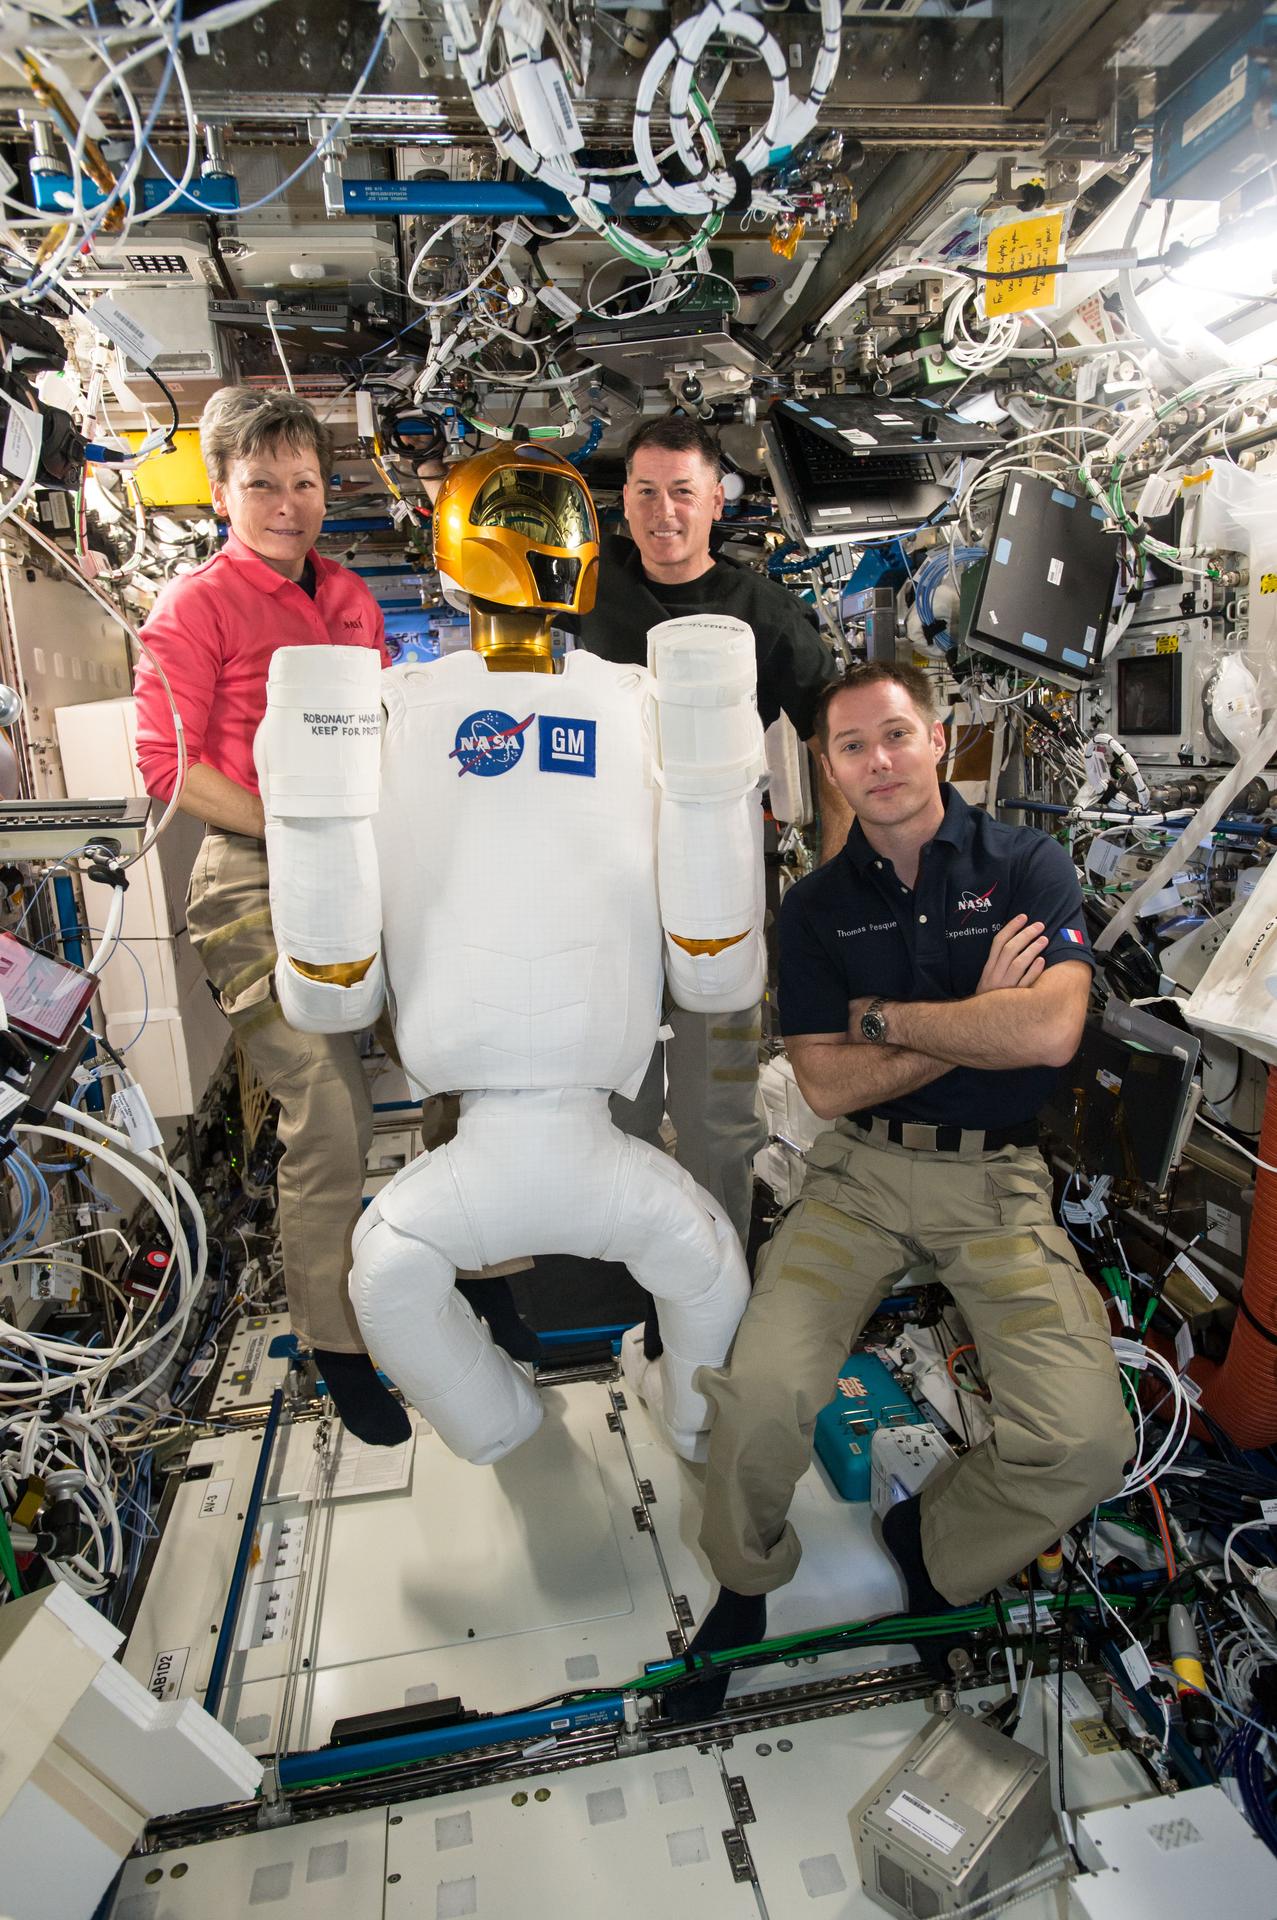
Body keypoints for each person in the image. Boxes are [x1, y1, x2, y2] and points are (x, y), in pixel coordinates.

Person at [676, 660, 1134, 1710]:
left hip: (997, 1186)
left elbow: (1048, 1028)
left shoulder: (1026, 866)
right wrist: (973, 1017)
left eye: (892, 735)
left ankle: (930, 1545)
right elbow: (830, 1086)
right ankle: (746, 1582)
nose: (875, 761)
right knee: (761, 1399)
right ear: (829, 770)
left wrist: (886, 1017)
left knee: (1083, 1440)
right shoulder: (814, 909)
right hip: (861, 1180)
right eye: (849, 747)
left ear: (936, 737)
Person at [418, 416, 846, 1246]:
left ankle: (718, 1277)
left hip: (716, 887)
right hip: (598, 891)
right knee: (615, 1103)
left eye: (683, 492)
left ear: (717, 500)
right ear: (622, 504)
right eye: (644, 493)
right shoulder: (586, 582)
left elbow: (834, 741)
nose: (663, 513)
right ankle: (624, 1270)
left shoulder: (763, 613)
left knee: (717, 1112)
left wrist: (831, 872)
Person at [133, 386, 411, 1446]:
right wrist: (290, 829)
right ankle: (338, 1347)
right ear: (219, 495)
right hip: (253, 872)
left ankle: (468, 1276)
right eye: (262, 485)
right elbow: (169, 765)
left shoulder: (347, 598)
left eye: (303, 482)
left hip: (362, 863)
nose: (287, 504)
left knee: (453, 1058)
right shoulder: (193, 609)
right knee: (329, 1115)